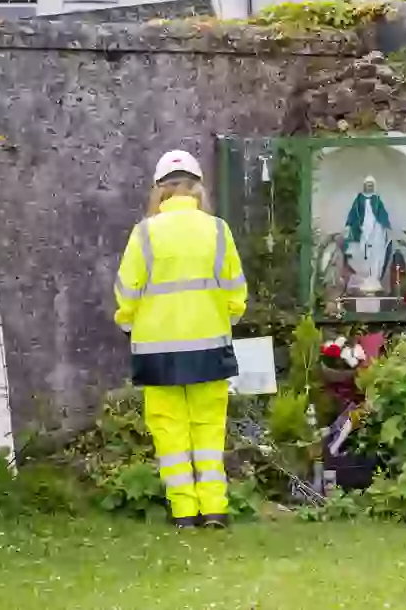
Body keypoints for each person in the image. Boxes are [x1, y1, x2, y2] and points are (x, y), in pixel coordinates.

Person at [112, 150, 248, 529]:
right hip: (210, 347)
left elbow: (127, 291)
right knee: (208, 431)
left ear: (159, 191)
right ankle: (215, 509)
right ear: (198, 188)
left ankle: (185, 513)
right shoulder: (218, 230)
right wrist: (222, 321)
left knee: (170, 434)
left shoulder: (145, 233)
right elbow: (236, 293)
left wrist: (130, 325)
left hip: (157, 351)